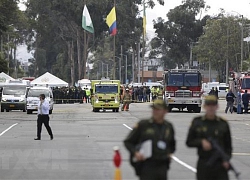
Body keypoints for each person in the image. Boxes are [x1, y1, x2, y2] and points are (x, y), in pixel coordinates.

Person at [124, 99, 176, 180]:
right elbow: (128, 142)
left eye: (158, 109)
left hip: (162, 166)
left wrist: (169, 153)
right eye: (154, 109)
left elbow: (172, 144)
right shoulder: (144, 125)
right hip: (147, 166)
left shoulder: (168, 127)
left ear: (165, 111)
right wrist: (135, 153)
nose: (155, 112)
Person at [186, 95, 232, 180]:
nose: (211, 108)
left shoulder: (223, 124)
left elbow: (228, 146)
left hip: (220, 164)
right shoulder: (197, 122)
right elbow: (189, 142)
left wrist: (227, 159)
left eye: (213, 105)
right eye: (208, 105)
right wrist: (201, 142)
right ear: (204, 107)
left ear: (217, 107)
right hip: (204, 163)